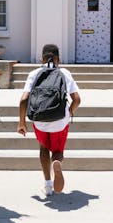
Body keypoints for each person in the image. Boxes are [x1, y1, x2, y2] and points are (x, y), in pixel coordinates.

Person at [17, 44, 81, 196]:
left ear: (41, 58)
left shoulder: (34, 73)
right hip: (60, 120)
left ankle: (47, 184)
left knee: (43, 148)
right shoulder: (64, 73)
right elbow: (77, 99)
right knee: (57, 150)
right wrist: (69, 112)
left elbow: (23, 100)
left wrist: (21, 123)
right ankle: (56, 161)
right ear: (58, 59)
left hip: (39, 120)